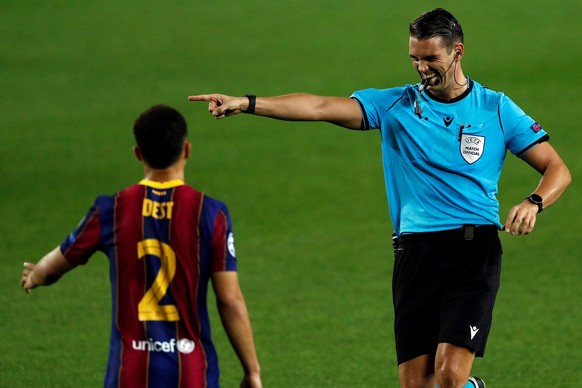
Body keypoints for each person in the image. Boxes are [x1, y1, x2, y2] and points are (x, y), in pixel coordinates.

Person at [187, 8, 571, 388]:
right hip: (414, 252)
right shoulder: (395, 105)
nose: (421, 68)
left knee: (451, 377)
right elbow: (319, 107)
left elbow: (557, 169)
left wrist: (534, 202)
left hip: (473, 250)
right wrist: (247, 102)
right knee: (416, 385)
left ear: (458, 52)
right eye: (414, 59)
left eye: (430, 58)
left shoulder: (496, 108)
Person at [20, 105, 262, 388]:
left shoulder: (111, 209)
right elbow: (230, 301)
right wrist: (251, 371)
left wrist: (35, 275)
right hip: (192, 371)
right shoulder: (211, 214)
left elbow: (53, 267)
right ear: (186, 150)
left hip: (129, 373)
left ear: (138, 153)